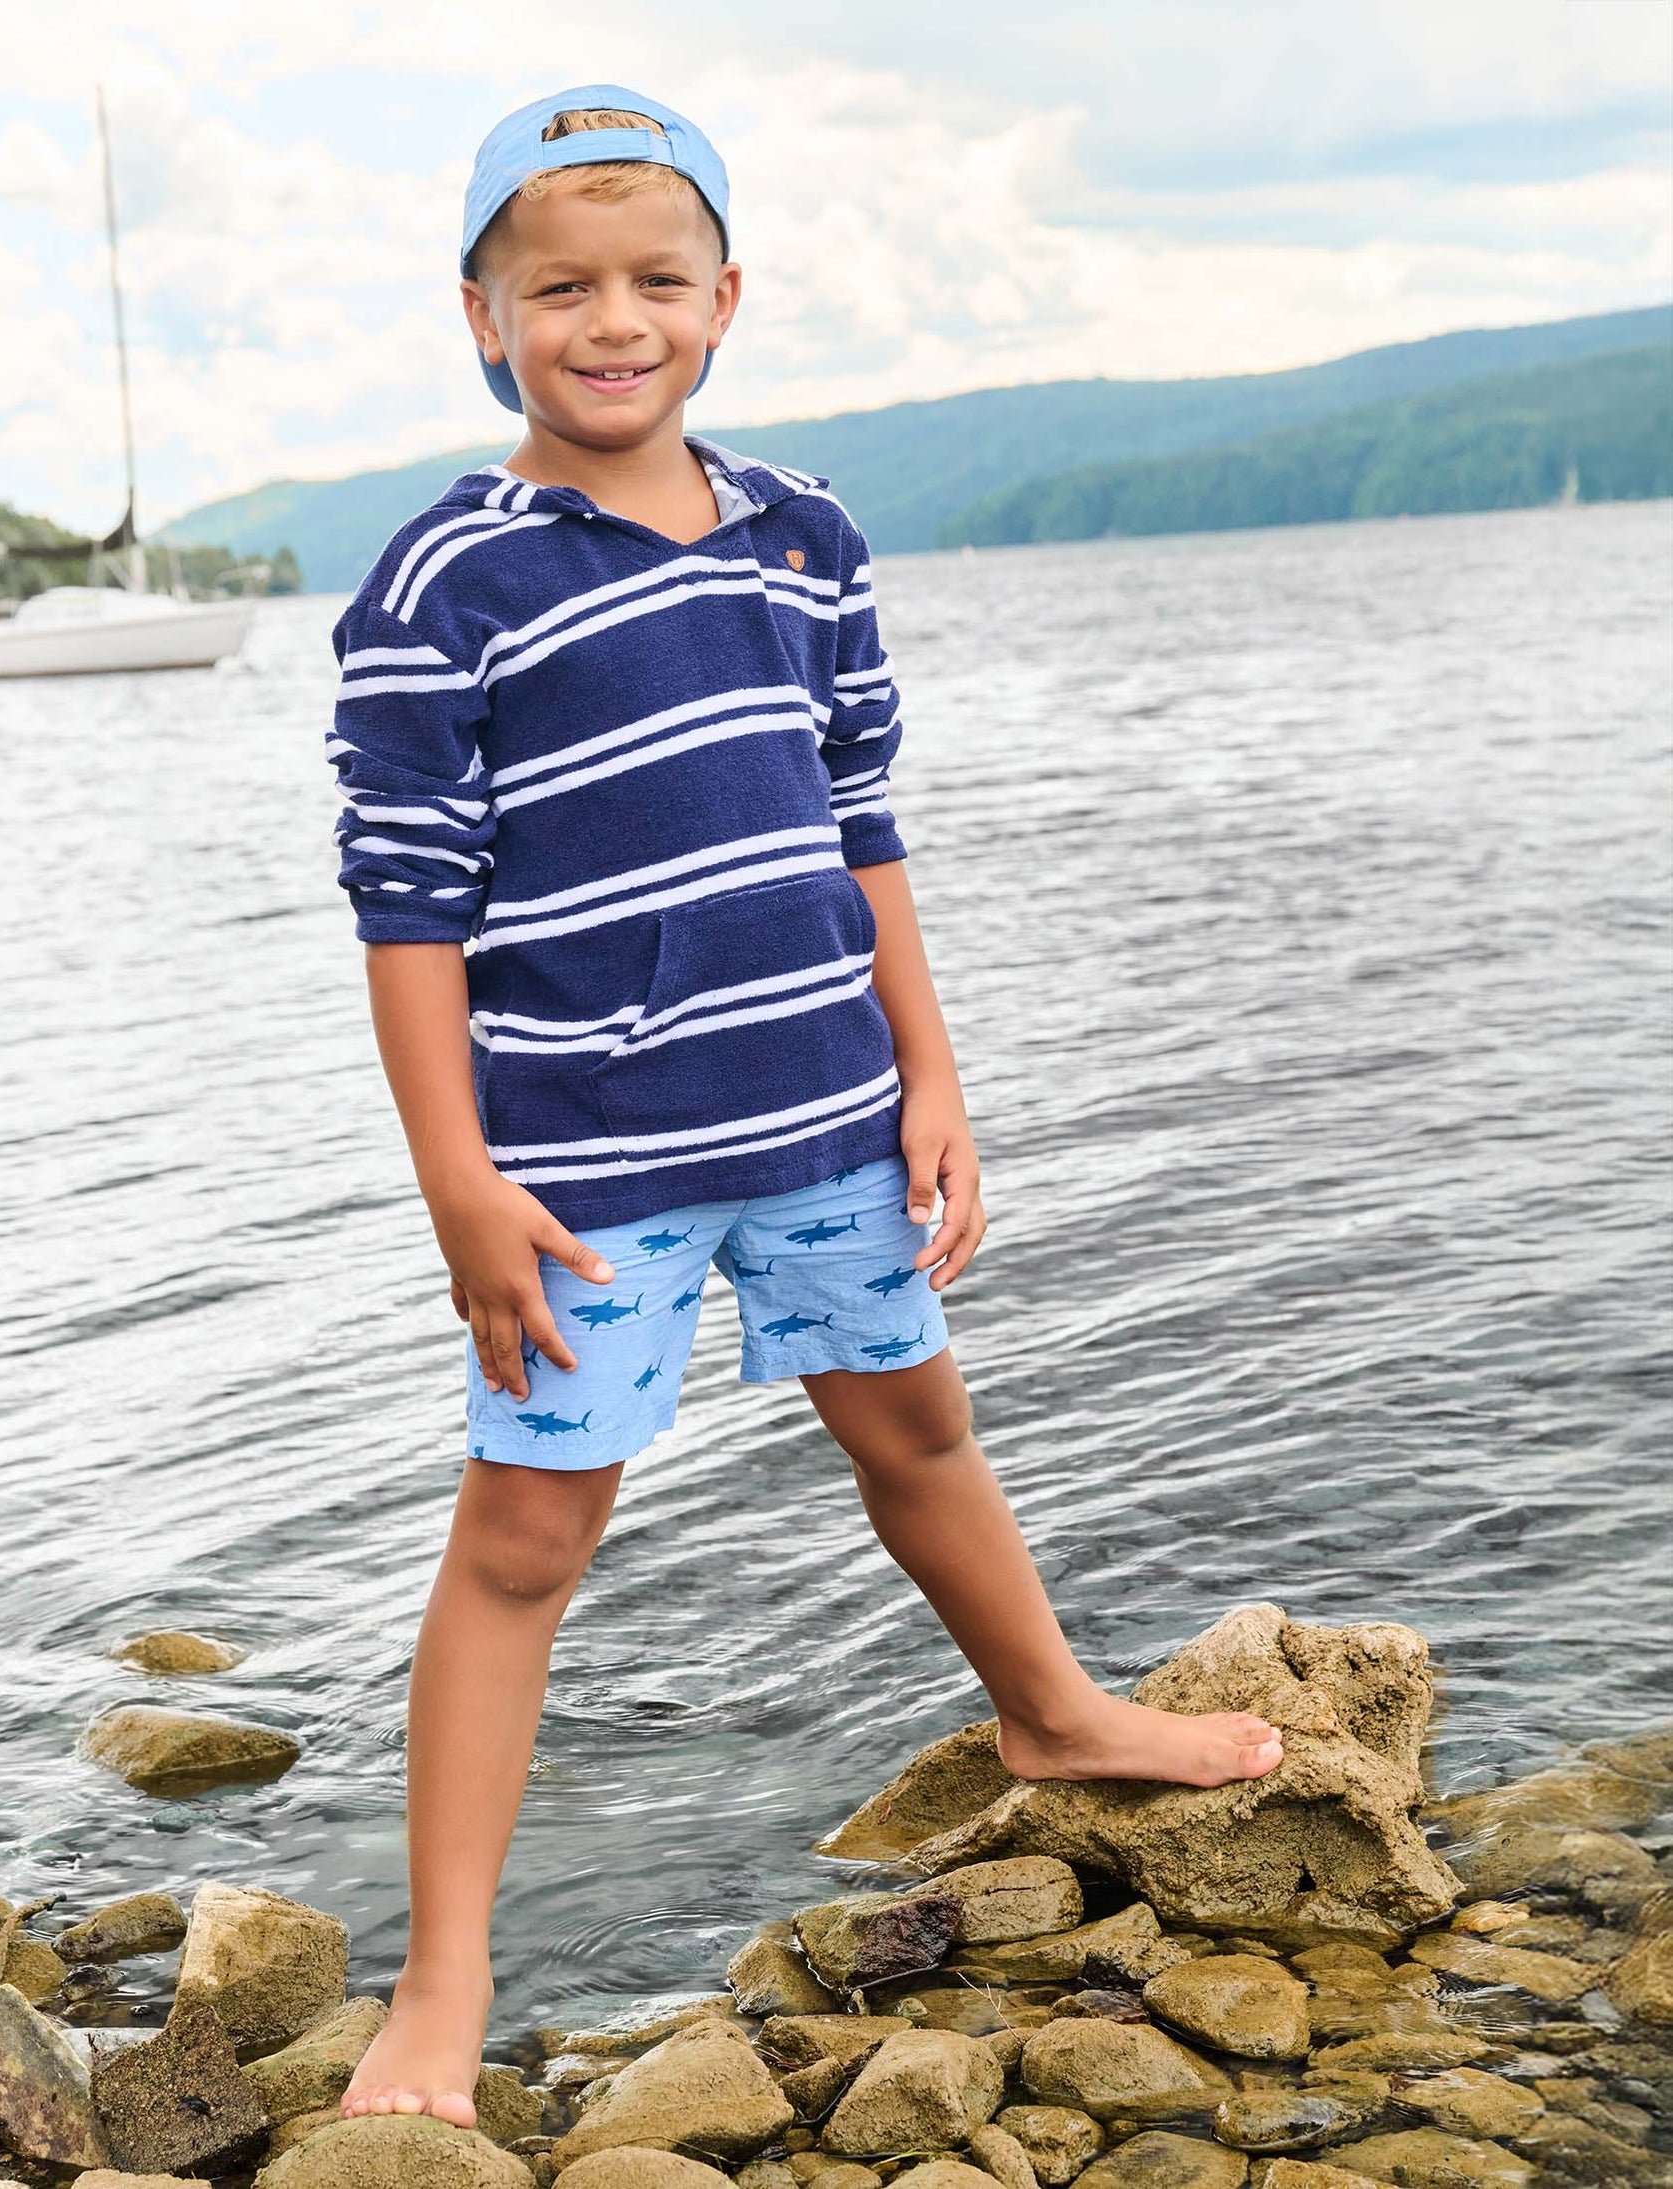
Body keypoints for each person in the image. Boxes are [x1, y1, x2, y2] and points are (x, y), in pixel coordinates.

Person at [328, 85, 1285, 2126]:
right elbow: (405, 913)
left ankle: (1048, 1713)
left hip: (830, 1119)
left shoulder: (799, 532)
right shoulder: (442, 584)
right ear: (479, 315)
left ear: (725, 300)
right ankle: (443, 1980)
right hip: (584, 1171)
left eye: (655, 280)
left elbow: (858, 826)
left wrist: (933, 1075)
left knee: (915, 1419)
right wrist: (458, 1188)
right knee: (523, 1534)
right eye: (557, 286)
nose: (611, 320)